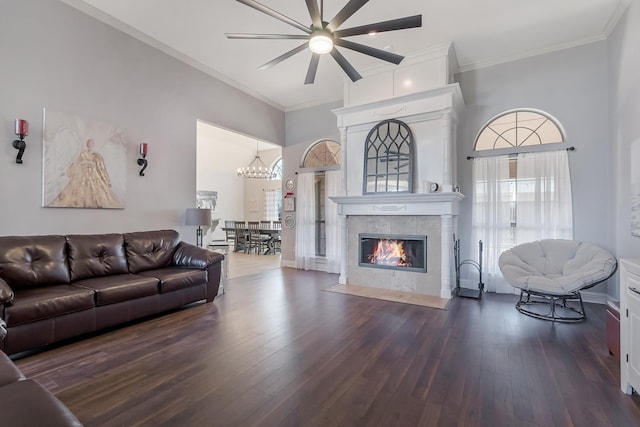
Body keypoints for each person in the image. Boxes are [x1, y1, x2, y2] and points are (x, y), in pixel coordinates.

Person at [50, 138, 122, 208]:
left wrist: (106, 180)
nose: (89, 145)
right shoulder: (82, 154)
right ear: (87, 144)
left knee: (97, 192)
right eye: (88, 143)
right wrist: (70, 171)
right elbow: (76, 163)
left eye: (91, 143)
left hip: (94, 176)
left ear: (93, 144)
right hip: (81, 175)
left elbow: (101, 168)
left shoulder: (97, 156)